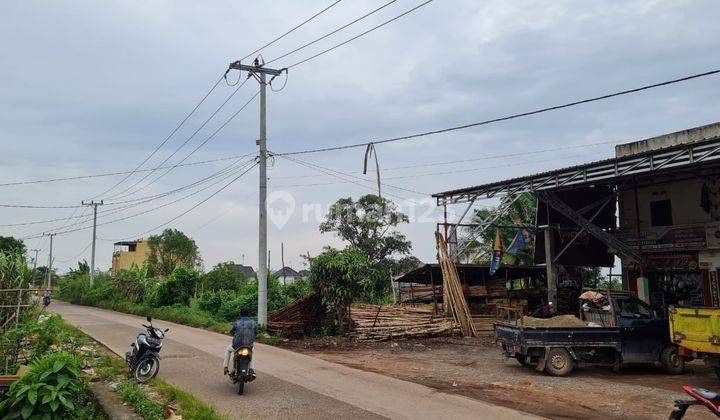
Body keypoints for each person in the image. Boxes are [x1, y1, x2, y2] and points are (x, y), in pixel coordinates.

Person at [223, 307, 257, 375]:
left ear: (240, 314)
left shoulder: (237, 323)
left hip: (236, 346)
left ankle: (225, 367)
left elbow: (232, 332)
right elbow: (256, 333)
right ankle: (251, 368)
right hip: (248, 346)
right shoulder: (253, 323)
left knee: (228, 350)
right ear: (248, 314)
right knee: (253, 351)